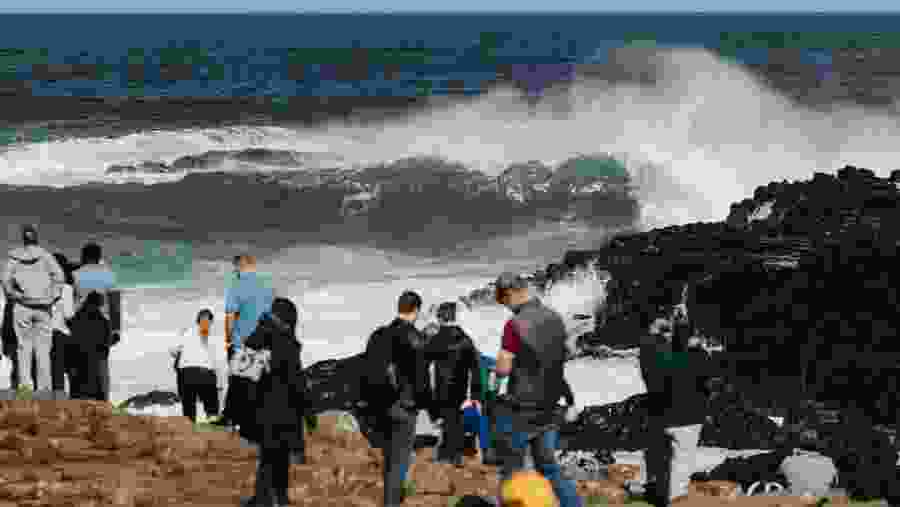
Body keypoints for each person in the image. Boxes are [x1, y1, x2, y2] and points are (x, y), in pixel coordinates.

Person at [492, 272, 582, 507]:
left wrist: (497, 370)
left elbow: (503, 368)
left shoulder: (513, 325)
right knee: (548, 467)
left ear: (510, 294)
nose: (506, 307)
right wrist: (570, 400)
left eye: (503, 301)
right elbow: (560, 360)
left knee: (511, 470)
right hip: (550, 406)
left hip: (521, 409)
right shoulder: (554, 318)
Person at [638, 289, 714, 507]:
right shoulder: (698, 357)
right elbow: (707, 382)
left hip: (659, 416)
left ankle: (656, 495)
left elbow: (651, 346)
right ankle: (674, 500)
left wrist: (659, 331)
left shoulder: (653, 354)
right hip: (688, 417)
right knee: (681, 464)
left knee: (659, 463)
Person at [360, 290, 432, 507]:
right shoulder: (415, 338)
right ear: (416, 310)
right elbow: (422, 379)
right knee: (399, 459)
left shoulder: (378, 335)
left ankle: (389, 497)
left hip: (379, 404)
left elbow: (366, 368)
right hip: (404, 406)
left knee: (389, 456)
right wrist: (428, 406)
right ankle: (391, 502)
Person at [238, 297, 306, 507]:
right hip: (280, 410)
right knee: (276, 458)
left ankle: (265, 498)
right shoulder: (285, 342)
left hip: (261, 408)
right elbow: (295, 384)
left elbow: (242, 372)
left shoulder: (258, 337)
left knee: (269, 456)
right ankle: (274, 499)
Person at [1, 224, 65, 395]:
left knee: (23, 347)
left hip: (22, 306)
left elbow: (5, 281)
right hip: (43, 307)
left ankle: (25, 386)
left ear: (23, 239)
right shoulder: (46, 256)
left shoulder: (14, 258)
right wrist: (51, 296)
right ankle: (44, 388)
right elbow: (60, 278)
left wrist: (15, 295)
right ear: (36, 238)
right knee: (43, 349)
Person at [423, 301, 483, 466]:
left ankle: (447, 454)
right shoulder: (466, 340)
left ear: (440, 318)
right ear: (455, 317)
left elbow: (422, 366)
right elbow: (476, 369)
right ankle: (455, 454)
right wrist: (476, 395)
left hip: (441, 387)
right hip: (460, 387)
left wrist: (425, 391)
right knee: (456, 419)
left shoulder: (436, 340)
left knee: (446, 420)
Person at [222, 254, 274, 428]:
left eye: (235, 268)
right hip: (264, 343)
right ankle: (257, 420)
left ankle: (231, 420)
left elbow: (230, 316)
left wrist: (228, 339)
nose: (234, 272)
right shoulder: (267, 286)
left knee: (237, 382)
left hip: (241, 342)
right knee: (259, 382)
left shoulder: (236, 286)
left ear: (239, 267)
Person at [72, 242, 120, 401]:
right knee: (102, 363)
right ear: (99, 257)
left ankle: (80, 398)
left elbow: (70, 301)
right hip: (102, 324)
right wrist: (116, 330)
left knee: (80, 363)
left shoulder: (75, 275)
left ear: (83, 256)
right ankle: (104, 399)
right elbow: (114, 303)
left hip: (80, 323)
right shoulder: (108, 274)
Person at [170, 309, 221, 423]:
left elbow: (173, 351)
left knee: (188, 408)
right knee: (211, 406)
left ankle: (190, 427)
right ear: (211, 321)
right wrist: (220, 381)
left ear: (197, 319)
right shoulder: (213, 335)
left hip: (185, 373)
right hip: (205, 373)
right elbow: (218, 360)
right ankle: (213, 425)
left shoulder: (186, 332)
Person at [68, 291, 112, 400]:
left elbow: (72, 338)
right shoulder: (103, 321)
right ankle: (104, 402)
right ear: (99, 304)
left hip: (77, 361)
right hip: (96, 364)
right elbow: (105, 343)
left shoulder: (76, 318)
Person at [49, 253, 76, 398]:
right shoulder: (66, 288)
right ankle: (60, 401)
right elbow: (69, 314)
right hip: (60, 334)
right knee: (59, 370)